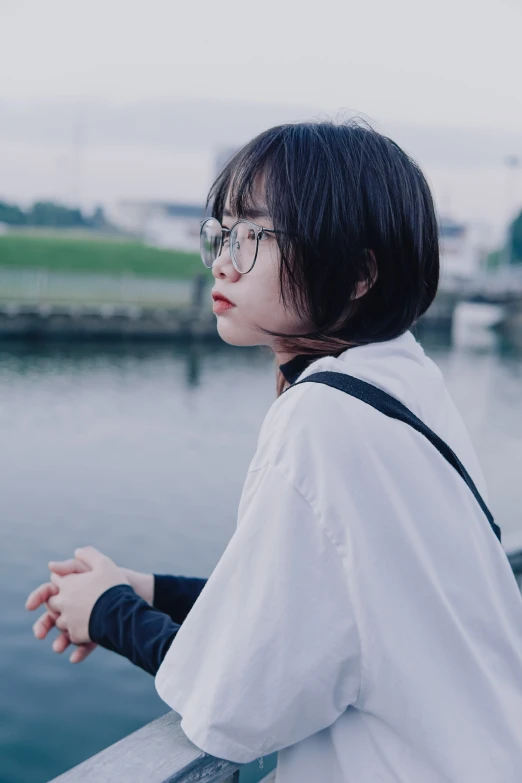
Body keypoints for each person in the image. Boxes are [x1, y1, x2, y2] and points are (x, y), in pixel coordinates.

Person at [26, 120, 522, 782]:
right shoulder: (403, 381)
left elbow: (234, 703)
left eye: (256, 235)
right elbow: (336, 603)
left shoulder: (321, 419)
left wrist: (109, 614)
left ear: (357, 274)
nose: (225, 259)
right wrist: (147, 589)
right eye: (222, 233)